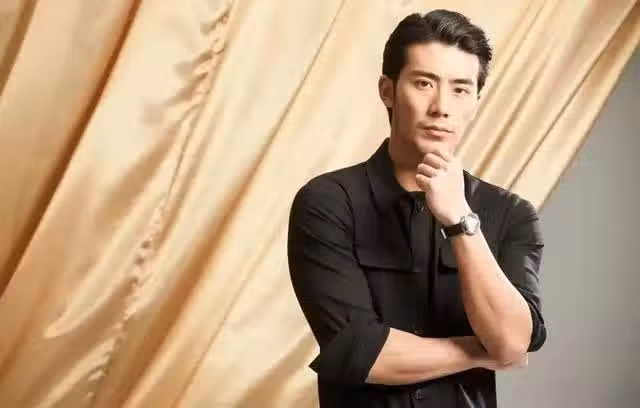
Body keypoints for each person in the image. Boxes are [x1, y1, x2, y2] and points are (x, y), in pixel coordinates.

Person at [287, 9, 546, 407]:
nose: (441, 107)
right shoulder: (327, 202)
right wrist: (482, 352)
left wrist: (460, 221)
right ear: (387, 91)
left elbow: (513, 340)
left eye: (460, 89)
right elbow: (362, 353)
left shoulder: (511, 214)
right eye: (424, 83)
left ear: (476, 101)